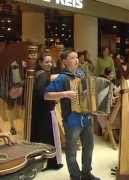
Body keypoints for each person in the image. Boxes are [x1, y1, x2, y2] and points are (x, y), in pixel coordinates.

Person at [44, 49, 100, 180]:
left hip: (86, 117)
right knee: (71, 150)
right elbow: (46, 95)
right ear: (64, 61)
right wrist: (65, 94)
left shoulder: (82, 74)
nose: (76, 60)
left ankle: (86, 173)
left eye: (76, 57)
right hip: (72, 119)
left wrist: (87, 94)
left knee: (89, 147)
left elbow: (87, 91)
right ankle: (75, 176)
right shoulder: (62, 77)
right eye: (72, 57)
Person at [30, 52, 63, 170]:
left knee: (43, 137)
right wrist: (58, 95)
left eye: (50, 61)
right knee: (48, 137)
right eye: (46, 62)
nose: (50, 64)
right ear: (40, 63)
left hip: (39, 111)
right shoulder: (43, 75)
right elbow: (42, 93)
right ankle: (50, 163)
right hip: (44, 111)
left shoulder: (38, 73)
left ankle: (43, 163)